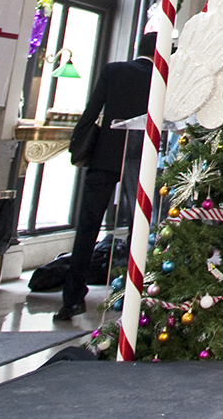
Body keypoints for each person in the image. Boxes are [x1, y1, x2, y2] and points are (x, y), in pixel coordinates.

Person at [57, 33, 154, 321]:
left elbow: (91, 112)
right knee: (140, 226)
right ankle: (134, 292)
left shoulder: (113, 70)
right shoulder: (161, 80)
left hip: (104, 157)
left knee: (87, 227)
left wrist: (80, 145)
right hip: (140, 160)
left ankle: (72, 297)